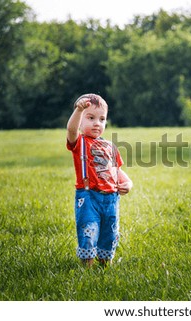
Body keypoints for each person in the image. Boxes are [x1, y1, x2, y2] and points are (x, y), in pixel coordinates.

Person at [66, 93, 133, 267]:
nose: (97, 123)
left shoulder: (110, 146)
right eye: (91, 117)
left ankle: (105, 265)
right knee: (89, 231)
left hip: (111, 199)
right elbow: (71, 130)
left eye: (102, 119)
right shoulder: (79, 142)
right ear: (80, 121)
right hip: (89, 197)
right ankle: (87, 265)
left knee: (109, 233)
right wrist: (79, 110)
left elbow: (116, 170)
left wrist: (128, 183)